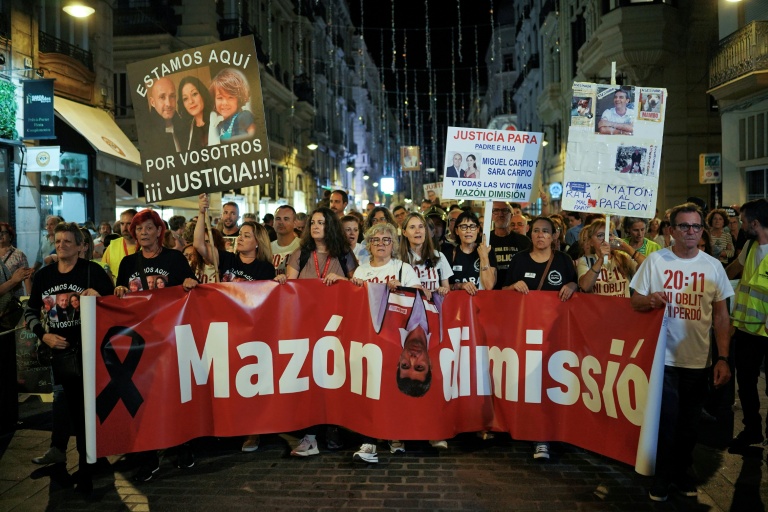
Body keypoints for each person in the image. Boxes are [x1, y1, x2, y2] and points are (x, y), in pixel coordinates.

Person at [629, 202, 733, 501]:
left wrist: (723, 358)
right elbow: (634, 301)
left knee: (689, 425)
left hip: (699, 360)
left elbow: (722, 316)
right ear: (671, 230)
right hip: (663, 359)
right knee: (667, 421)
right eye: (684, 226)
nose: (691, 231)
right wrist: (650, 300)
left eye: (696, 226)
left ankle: (683, 471)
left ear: (702, 231)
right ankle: (663, 476)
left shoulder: (712, 266)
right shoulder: (655, 261)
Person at [24, 222, 114, 494]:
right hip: (60, 356)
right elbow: (30, 311)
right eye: (58, 240)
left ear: (81, 246)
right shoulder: (44, 276)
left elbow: (116, 307)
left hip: (91, 353)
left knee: (86, 412)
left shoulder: (92, 272)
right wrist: (44, 335)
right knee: (74, 411)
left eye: (67, 241)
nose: (61, 245)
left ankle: (87, 471)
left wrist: (100, 298)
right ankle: (87, 460)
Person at [113, 209, 198, 482]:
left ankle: (182, 444)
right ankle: (148, 457)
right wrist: (120, 292)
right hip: (139, 342)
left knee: (174, 394)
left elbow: (191, 288)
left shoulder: (174, 259)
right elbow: (119, 296)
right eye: (139, 230)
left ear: (160, 231)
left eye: (149, 228)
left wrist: (188, 283)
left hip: (170, 338)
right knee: (144, 400)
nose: (144, 233)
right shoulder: (127, 264)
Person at [275, 207, 357, 457]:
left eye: (321, 222)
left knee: (334, 378)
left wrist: (341, 281)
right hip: (307, 328)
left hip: (337, 330)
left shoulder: (345, 255)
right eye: (313, 222)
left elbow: (358, 286)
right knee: (310, 381)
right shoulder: (300, 254)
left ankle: (333, 428)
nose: (315, 226)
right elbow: (290, 289)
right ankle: (310, 437)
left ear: (330, 226)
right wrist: (282, 282)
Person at [350, 222, 433, 462]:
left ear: (393, 245)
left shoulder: (402, 268)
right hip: (368, 341)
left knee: (388, 393)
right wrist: (354, 289)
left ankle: (394, 434)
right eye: (376, 241)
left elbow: (419, 296)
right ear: (369, 245)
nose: (381, 245)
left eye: (386, 240)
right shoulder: (361, 271)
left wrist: (401, 289)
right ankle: (369, 442)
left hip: (395, 344)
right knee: (370, 391)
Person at [503, 216, 577, 460]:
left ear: (554, 235)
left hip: (555, 338)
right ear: (530, 234)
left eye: (546, 231)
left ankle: (544, 436)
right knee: (527, 386)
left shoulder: (564, 261)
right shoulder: (519, 259)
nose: (541, 235)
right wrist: (513, 288)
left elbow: (579, 290)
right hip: (523, 335)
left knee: (550, 385)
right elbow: (500, 292)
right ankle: (528, 430)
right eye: (536, 231)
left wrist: (573, 287)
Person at [726, 199, 768, 450]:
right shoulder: (750, 247)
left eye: (742, 221)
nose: (741, 225)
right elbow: (733, 270)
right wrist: (714, 280)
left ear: (754, 223)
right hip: (746, 330)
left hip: (764, 332)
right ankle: (752, 430)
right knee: (747, 383)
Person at [0, 222, 34, 434]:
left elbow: (26, 278)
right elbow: (11, 283)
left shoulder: (17, 255)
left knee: (8, 368)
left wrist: (29, 301)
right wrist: (13, 281)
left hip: (8, 314)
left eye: (3, 233)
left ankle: (9, 416)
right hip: (3, 316)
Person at [576, 218, 642, 297]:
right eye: (600, 235)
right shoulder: (586, 261)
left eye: (609, 235)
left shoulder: (623, 257)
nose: (605, 239)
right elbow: (585, 286)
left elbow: (650, 267)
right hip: (598, 308)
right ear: (591, 242)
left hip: (622, 307)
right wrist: (601, 259)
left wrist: (627, 248)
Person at [399, 212, 453, 298]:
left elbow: (447, 289)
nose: (417, 231)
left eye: (421, 227)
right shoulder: (398, 259)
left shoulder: (439, 256)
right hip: (411, 308)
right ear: (404, 232)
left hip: (434, 308)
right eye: (412, 227)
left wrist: (443, 290)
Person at [447, 211, 496, 294]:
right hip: (458, 304)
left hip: (481, 303)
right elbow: (443, 287)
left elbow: (489, 286)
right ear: (456, 231)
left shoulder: (487, 251)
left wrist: (484, 258)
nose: (468, 230)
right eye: (463, 227)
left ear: (477, 229)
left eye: (472, 226)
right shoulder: (450, 253)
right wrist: (460, 286)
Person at [489, 202, 532, 289]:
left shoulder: (524, 241)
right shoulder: (484, 240)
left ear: (511, 216)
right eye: (496, 211)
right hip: (491, 291)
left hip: (517, 291)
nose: (500, 214)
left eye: (505, 210)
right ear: (491, 216)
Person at [209, 68, 256, 142]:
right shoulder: (218, 127)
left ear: (239, 99)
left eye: (230, 97)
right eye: (220, 98)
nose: (224, 103)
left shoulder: (245, 116)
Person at [148, 76, 183, 152]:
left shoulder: (184, 127)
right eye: (162, 97)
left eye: (172, 96)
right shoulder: (147, 134)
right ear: (152, 102)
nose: (168, 103)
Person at [178, 75, 214, 150]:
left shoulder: (218, 121)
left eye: (194, 94)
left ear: (202, 94)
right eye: (185, 98)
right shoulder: (185, 132)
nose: (191, 101)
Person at [102, 209, 138, 281]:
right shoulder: (112, 246)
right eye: (122, 224)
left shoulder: (146, 245)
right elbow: (103, 272)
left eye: (129, 224)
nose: (124, 228)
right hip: (117, 290)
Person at [271, 205, 301, 274]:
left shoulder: (303, 246)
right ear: (273, 222)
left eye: (286, 219)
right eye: (278, 219)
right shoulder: (267, 248)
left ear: (295, 223)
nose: (281, 222)